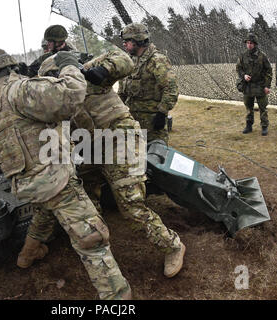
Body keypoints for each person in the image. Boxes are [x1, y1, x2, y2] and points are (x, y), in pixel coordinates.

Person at [0, 48, 131, 300]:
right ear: (10, 68)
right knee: (93, 239)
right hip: (54, 180)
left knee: (44, 213)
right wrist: (70, 66)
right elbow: (70, 95)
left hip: (28, 185)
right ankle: (117, 296)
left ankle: (27, 256)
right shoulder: (18, 90)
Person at [39, 50, 186, 278]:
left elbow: (124, 60)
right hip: (89, 146)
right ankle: (100, 243)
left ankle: (172, 245)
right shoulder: (55, 99)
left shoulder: (86, 74)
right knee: (85, 196)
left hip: (120, 138)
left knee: (131, 205)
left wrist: (103, 70)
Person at [118, 23, 178, 145]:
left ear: (137, 40)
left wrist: (161, 113)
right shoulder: (130, 60)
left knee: (152, 158)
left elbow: (171, 89)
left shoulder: (157, 60)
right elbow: (123, 91)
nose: (124, 44)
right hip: (132, 121)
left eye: (127, 41)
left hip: (152, 124)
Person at [236, 33, 273, 136]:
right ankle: (249, 126)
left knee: (263, 108)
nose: (249, 45)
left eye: (251, 43)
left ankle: (264, 126)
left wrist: (267, 86)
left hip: (260, 86)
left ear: (255, 44)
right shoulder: (242, 56)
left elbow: (269, 71)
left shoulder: (262, 56)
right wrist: (244, 76)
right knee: (249, 107)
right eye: (247, 43)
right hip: (247, 86)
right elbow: (238, 68)